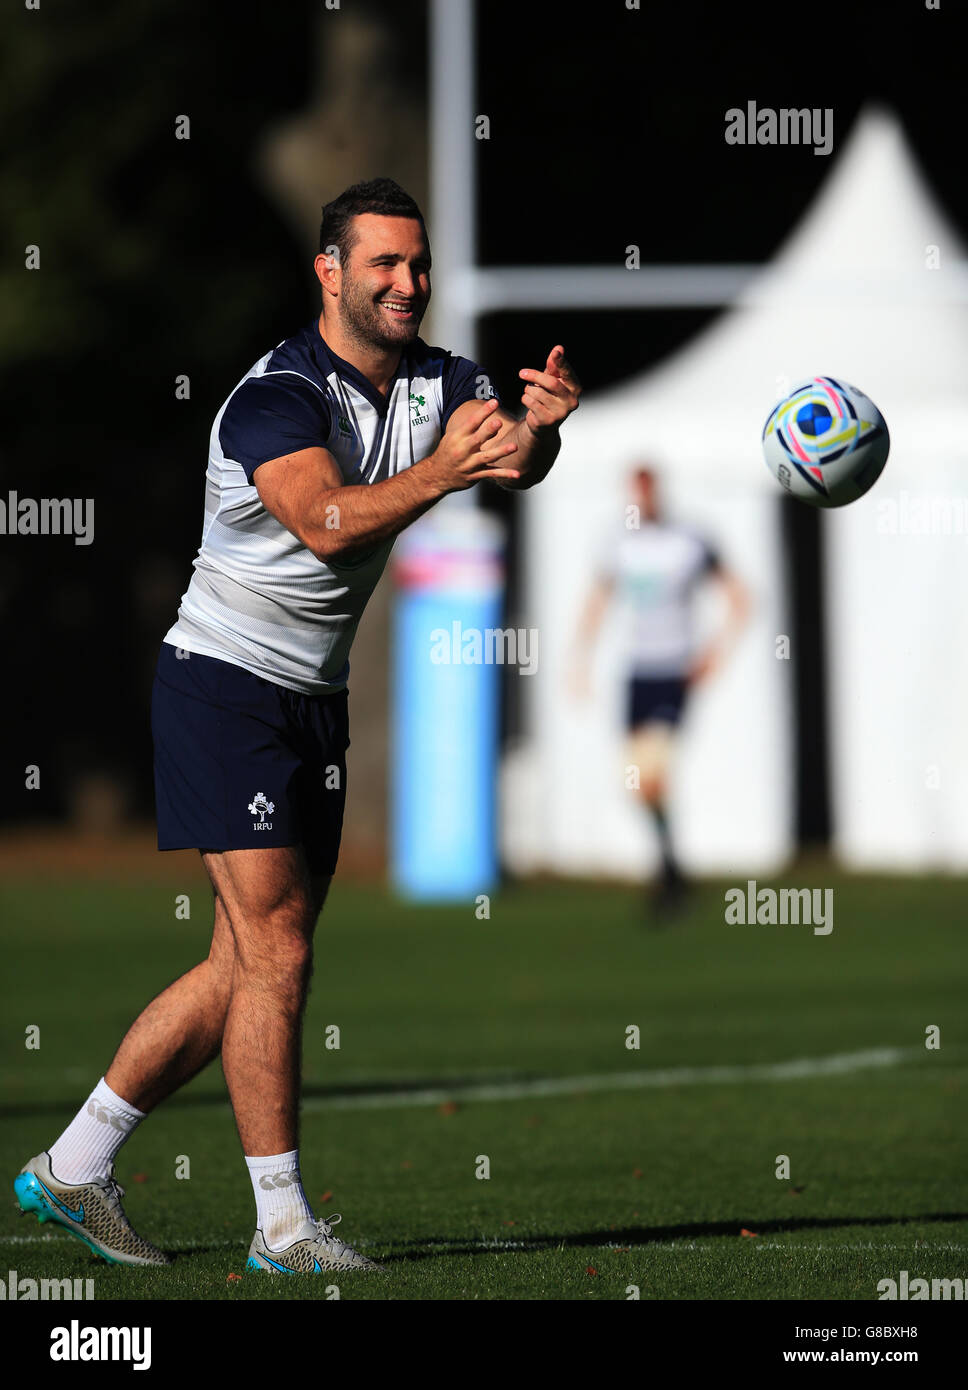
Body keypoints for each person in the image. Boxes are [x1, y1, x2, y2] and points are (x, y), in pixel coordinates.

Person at [15, 178, 581, 1275]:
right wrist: (443, 469)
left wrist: (542, 436)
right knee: (277, 946)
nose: (407, 283)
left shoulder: (441, 380)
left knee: (245, 959)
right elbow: (325, 524)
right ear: (328, 272)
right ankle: (283, 1228)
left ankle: (74, 1165)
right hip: (221, 684)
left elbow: (506, 456)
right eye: (382, 264)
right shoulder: (275, 398)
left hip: (313, 700)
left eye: (416, 264)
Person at [573, 465, 748, 913]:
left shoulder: (688, 540)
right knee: (636, 784)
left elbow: (739, 596)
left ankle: (669, 877)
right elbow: (599, 601)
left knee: (651, 774)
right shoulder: (619, 544)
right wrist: (580, 660)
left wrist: (714, 653)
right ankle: (670, 866)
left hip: (674, 672)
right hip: (638, 673)